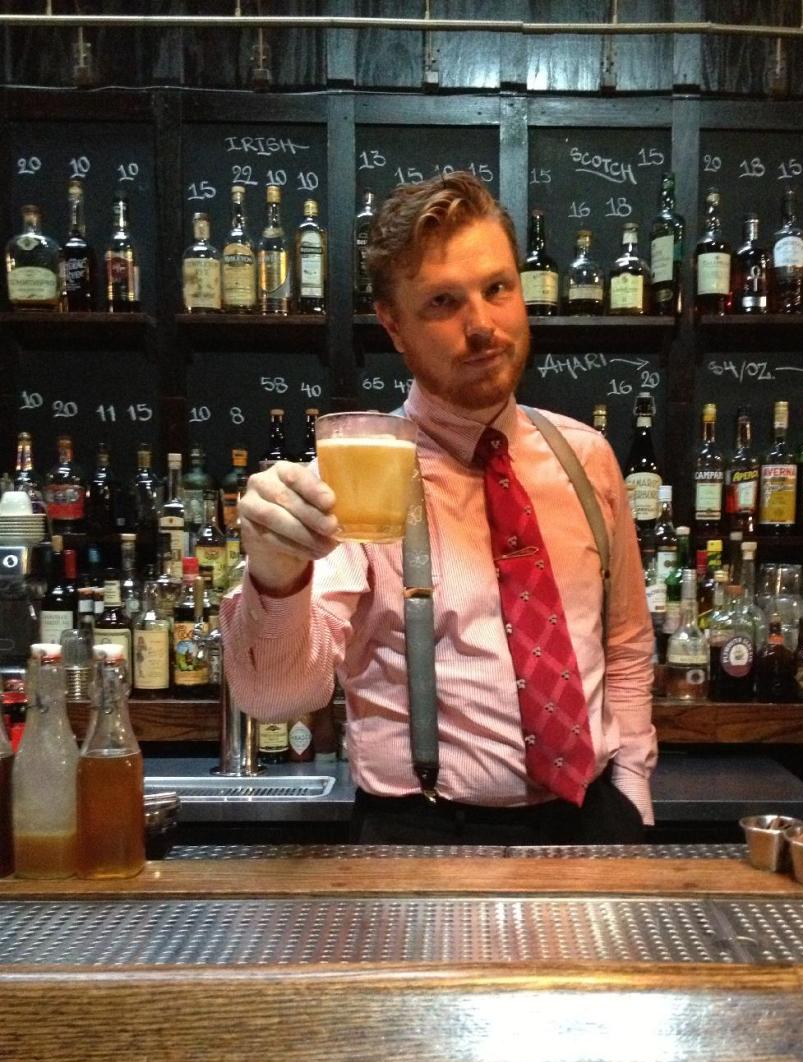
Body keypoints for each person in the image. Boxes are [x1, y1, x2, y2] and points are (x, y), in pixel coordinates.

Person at [220, 171, 657, 844]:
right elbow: (277, 696)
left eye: (498, 289)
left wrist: (631, 786)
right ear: (394, 327)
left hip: (592, 821)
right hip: (424, 835)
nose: (481, 324)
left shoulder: (587, 456)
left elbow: (625, 644)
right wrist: (277, 576)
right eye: (443, 302)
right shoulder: (357, 474)